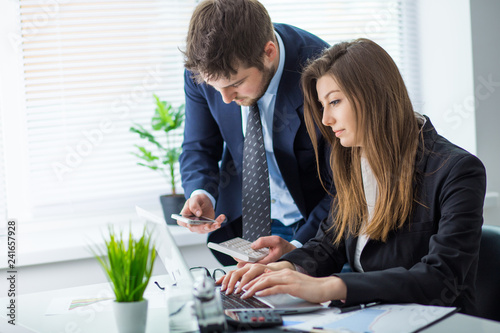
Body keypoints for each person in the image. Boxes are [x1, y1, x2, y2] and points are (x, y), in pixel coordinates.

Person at [218, 38, 486, 315]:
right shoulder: (351, 159)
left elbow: (441, 279)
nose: (326, 120)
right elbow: (329, 242)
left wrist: (330, 287)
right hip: (370, 316)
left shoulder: (458, 170)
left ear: (376, 94)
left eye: (334, 101)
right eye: (323, 105)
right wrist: (283, 268)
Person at [177, 0, 333, 265]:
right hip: (245, 228)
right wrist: (201, 193)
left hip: (318, 229)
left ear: (269, 52)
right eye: (216, 88)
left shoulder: (324, 75)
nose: (225, 99)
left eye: (236, 84)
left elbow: (348, 187)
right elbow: (198, 146)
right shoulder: (204, 71)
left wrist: (298, 247)